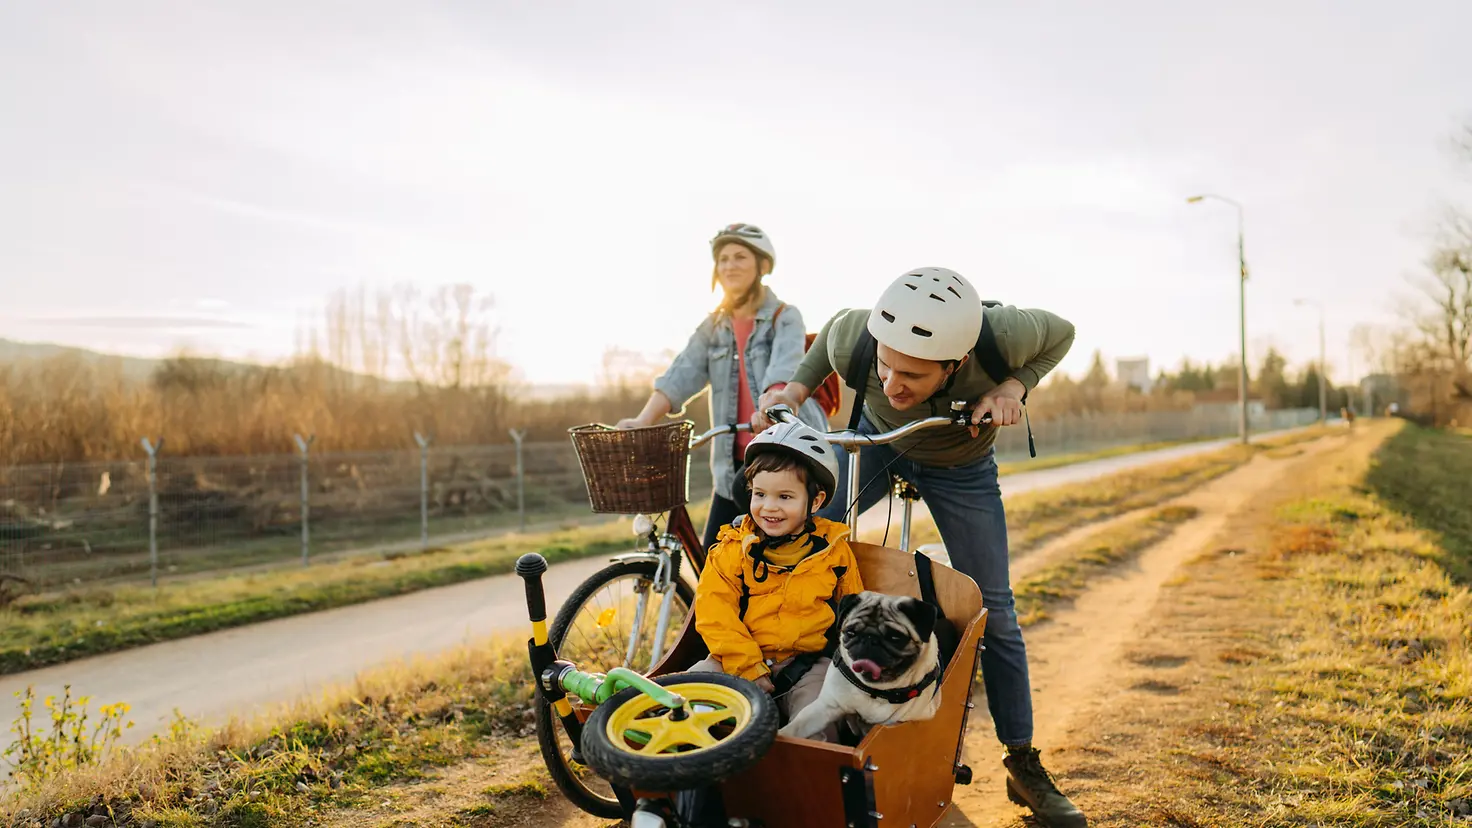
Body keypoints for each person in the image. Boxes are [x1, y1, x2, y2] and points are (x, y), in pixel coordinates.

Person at [754, 267, 1087, 827]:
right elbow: (834, 329)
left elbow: (1064, 332)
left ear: (956, 364)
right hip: (878, 447)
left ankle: (1023, 763)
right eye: (884, 363)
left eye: (911, 374)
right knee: (804, 552)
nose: (890, 382)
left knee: (995, 610)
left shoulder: (1004, 335)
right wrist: (795, 388)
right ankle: (781, 694)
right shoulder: (855, 335)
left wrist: (1013, 386)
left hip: (961, 465)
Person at [617, 223, 829, 550]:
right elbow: (682, 372)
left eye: (740, 257)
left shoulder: (785, 317)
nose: (729, 265)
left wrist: (770, 408)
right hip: (732, 469)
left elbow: (783, 372)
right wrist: (643, 420)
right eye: (723, 259)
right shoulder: (713, 327)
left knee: (775, 566)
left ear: (763, 266)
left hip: (783, 460)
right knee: (713, 566)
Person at [688, 419, 862, 741]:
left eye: (784, 497)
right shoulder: (730, 549)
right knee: (686, 699)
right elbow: (715, 612)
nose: (769, 507)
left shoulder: (835, 553)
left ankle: (808, 786)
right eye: (760, 494)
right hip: (735, 658)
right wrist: (747, 666)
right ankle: (689, 785)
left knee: (819, 722)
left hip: (809, 665)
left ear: (817, 501)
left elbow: (855, 612)